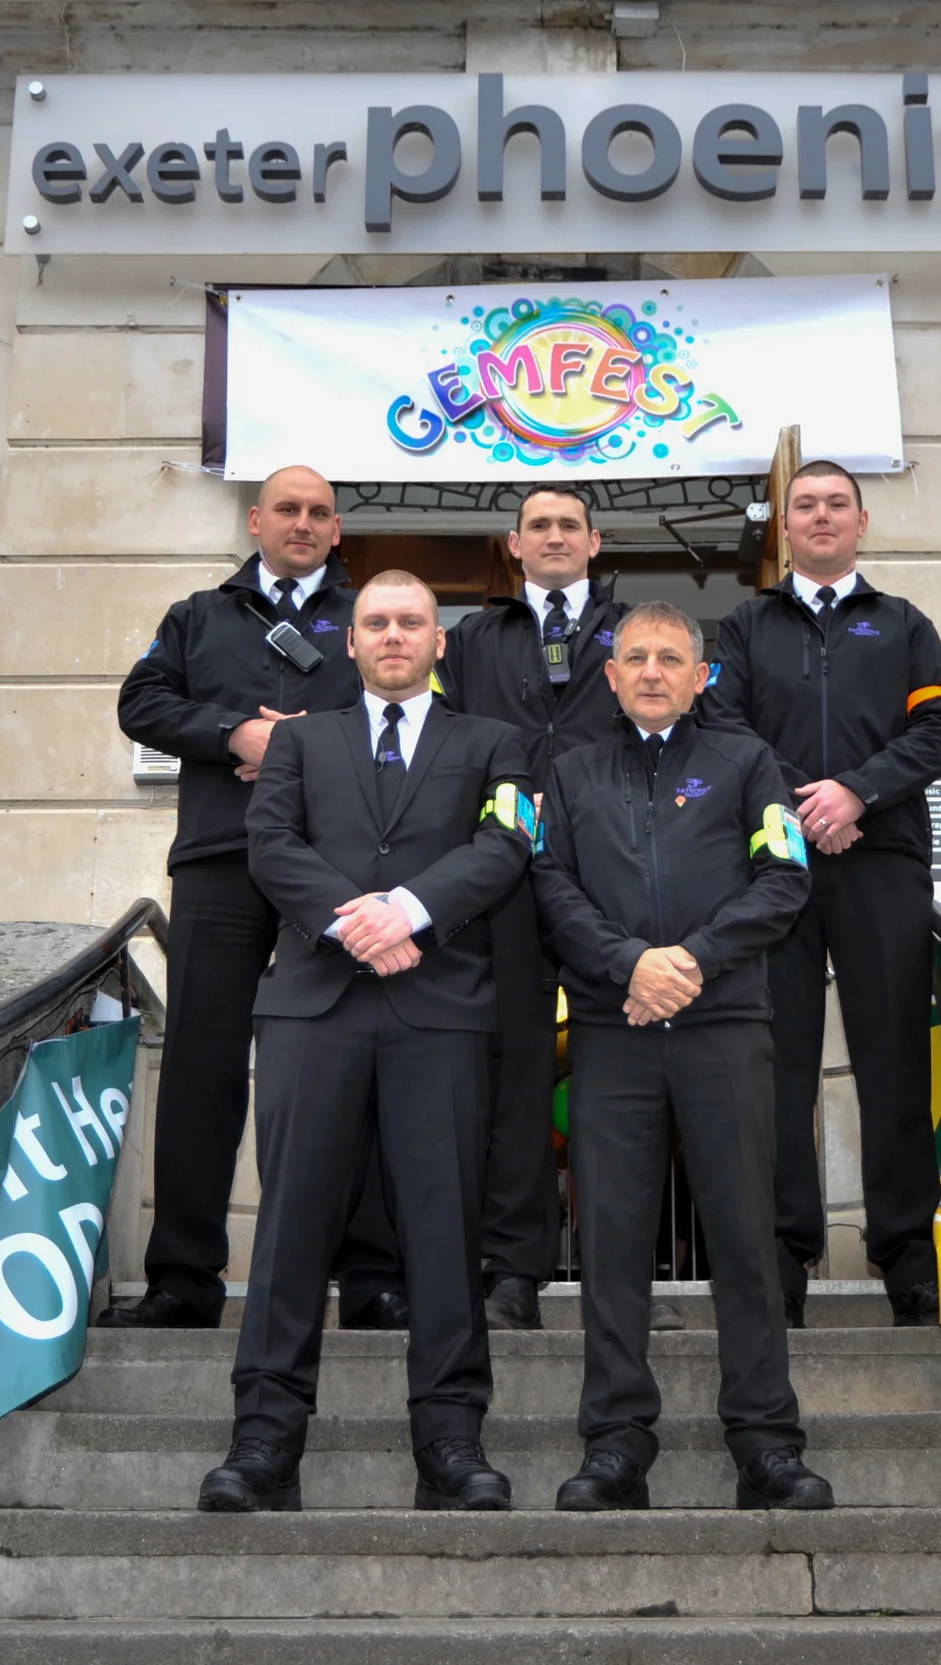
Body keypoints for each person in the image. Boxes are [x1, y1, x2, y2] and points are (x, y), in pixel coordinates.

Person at [202, 571, 539, 1513]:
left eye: (412, 622)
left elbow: (505, 846)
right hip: (315, 1009)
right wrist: (356, 924)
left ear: (440, 640)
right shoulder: (299, 741)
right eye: (377, 622)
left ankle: (451, 1441)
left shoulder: (496, 744)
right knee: (290, 1226)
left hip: (440, 1011)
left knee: (444, 1227)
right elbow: (271, 845)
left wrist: (410, 909)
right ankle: (264, 1441)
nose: (394, 635)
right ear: (349, 642)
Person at [533, 600, 832, 1511]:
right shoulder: (570, 772)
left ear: (702, 677)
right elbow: (550, 885)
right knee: (610, 1240)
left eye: (671, 657)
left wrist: (690, 962)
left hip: (723, 1027)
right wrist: (630, 963)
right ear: (610, 675)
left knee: (744, 1237)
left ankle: (766, 1443)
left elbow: (784, 878)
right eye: (635, 657)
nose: (652, 671)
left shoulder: (749, 764)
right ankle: (616, 1444)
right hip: (612, 1030)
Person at [107, 466, 404, 1333]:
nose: (302, 523)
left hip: (333, 871)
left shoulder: (369, 619)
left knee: (352, 1064)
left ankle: (370, 1275)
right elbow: (141, 702)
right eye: (287, 509)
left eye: (319, 512)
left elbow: (409, 715)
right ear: (256, 521)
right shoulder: (197, 617)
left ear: (337, 529)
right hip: (220, 860)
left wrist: (304, 753)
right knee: (200, 1068)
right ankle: (183, 1279)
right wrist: (235, 733)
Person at [701, 461, 941, 1329]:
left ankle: (909, 1260)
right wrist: (810, 806)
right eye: (805, 505)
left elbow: (940, 731)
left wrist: (857, 792)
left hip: (881, 861)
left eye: (836, 504)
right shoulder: (745, 626)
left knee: (894, 1061)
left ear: (861, 522)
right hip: (774, 867)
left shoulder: (905, 625)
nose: (821, 516)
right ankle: (780, 1262)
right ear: (784, 526)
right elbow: (722, 728)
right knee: (775, 1067)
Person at [436, 485, 630, 1333]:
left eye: (569, 525)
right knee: (516, 1076)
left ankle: (623, 1276)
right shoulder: (473, 640)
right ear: (513, 544)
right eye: (538, 525)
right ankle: (512, 1270)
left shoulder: (637, 633)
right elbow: (439, 744)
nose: (555, 536)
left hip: (615, 880)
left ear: (596, 540)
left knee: (622, 1081)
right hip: (504, 886)